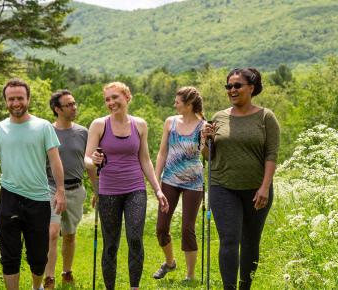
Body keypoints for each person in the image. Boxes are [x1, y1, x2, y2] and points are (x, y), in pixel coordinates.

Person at [0, 78, 66, 290]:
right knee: (9, 255)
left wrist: (60, 191)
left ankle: (36, 287)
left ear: (28, 99)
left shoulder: (43, 127)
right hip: (9, 197)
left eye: (20, 98)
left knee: (38, 255)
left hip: (39, 199)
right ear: (6, 101)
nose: (16, 103)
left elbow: (55, 160)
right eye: (11, 99)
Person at [84, 81, 169, 290]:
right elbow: (86, 159)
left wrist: (157, 189)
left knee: (135, 238)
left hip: (135, 190)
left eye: (115, 97)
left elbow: (145, 160)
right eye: (107, 99)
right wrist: (93, 161)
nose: (111, 102)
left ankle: (134, 287)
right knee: (111, 243)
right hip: (108, 191)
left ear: (127, 98)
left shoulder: (139, 125)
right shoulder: (99, 125)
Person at [202, 68, 280, 290]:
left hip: (257, 189)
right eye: (229, 86)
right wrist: (204, 140)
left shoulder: (266, 117)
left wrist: (265, 187)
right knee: (229, 240)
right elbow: (208, 156)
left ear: (251, 88)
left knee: (250, 241)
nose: (232, 90)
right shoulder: (218, 117)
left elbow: (271, 155)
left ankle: (245, 286)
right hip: (222, 186)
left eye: (237, 86)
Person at [43, 90, 97, 289]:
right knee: (52, 232)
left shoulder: (83, 132)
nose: (74, 107)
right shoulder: (46, 131)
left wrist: (97, 190)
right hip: (51, 188)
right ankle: (49, 278)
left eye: (75, 103)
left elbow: (89, 163)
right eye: (69, 105)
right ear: (57, 109)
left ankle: (67, 272)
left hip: (76, 188)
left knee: (70, 234)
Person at [153, 87, 205, 281]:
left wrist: (208, 139)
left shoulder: (203, 126)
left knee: (187, 228)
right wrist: (156, 179)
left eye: (177, 101)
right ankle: (170, 262)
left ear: (189, 105)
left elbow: (206, 154)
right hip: (169, 181)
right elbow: (162, 152)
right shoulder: (170, 122)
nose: (174, 104)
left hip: (194, 183)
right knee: (161, 227)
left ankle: (190, 276)